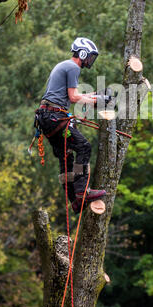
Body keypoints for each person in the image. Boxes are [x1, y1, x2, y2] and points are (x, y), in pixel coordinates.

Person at [35, 37, 106, 213]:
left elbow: (72, 95)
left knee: (66, 157)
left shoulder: (65, 66)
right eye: (90, 56)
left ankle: (74, 200)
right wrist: (97, 100)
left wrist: (96, 96)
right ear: (82, 53)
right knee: (83, 146)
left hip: (47, 118)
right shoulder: (73, 67)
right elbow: (74, 98)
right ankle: (82, 192)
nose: (90, 61)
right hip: (54, 117)